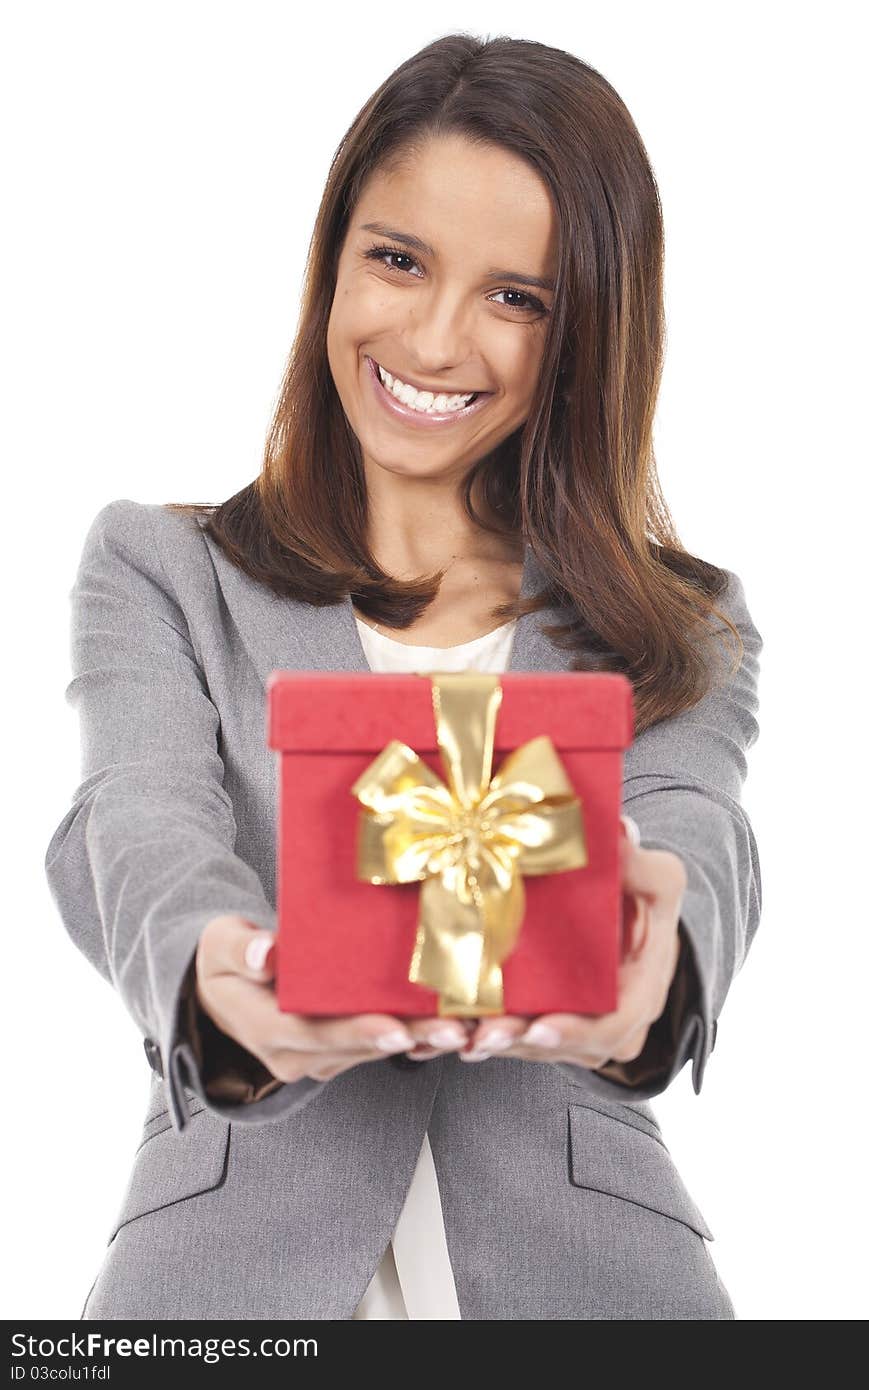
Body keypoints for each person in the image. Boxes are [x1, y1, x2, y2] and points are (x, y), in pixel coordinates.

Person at [45, 33, 762, 1320]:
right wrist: (217, 975)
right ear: (333, 261)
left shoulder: (676, 620)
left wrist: (664, 961)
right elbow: (140, 823)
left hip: (596, 1283)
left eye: (516, 298)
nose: (434, 339)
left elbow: (696, 822)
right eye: (397, 260)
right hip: (229, 1291)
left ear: (585, 331)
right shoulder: (161, 571)